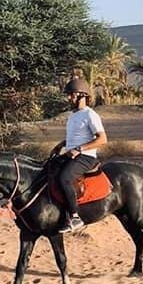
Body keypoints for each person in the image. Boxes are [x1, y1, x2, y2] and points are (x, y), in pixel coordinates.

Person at [51, 77, 108, 233]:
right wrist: (61, 145)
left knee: (64, 178)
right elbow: (75, 137)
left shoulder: (90, 115)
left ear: (82, 95)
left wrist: (80, 149)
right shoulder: (73, 115)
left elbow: (102, 139)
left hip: (86, 157)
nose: (69, 98)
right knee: (47, 169)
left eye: (71, 94)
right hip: (72, 154)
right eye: (69, 95)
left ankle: (75, 217)